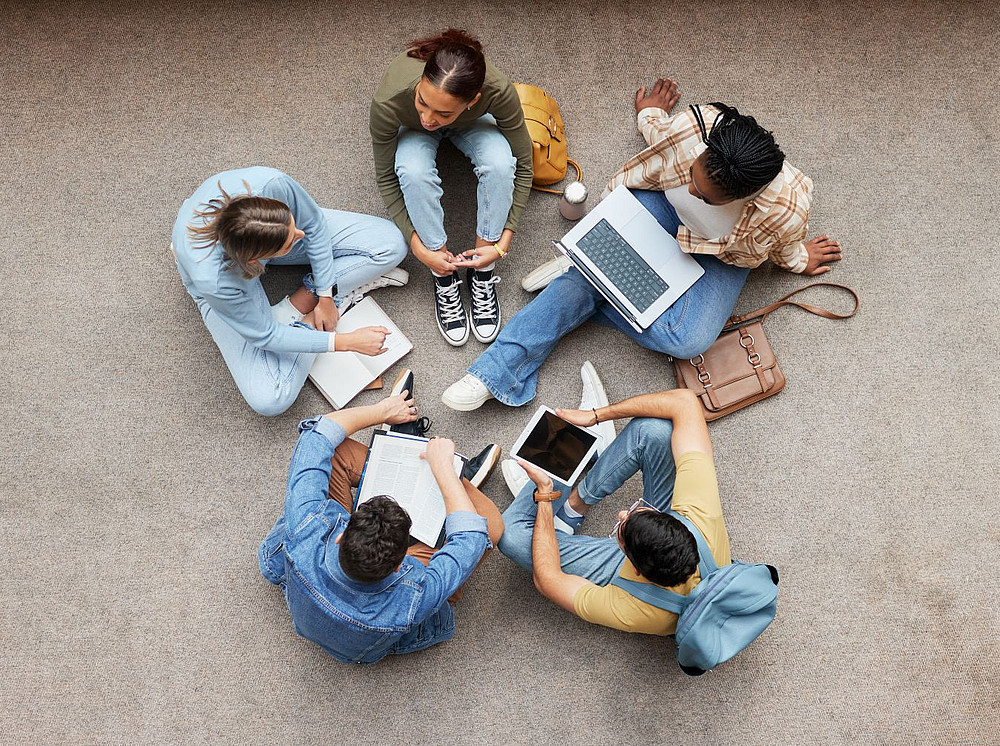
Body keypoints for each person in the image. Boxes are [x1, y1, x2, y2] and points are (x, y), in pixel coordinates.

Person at [441, 78, 841, 410]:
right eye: (693, 176)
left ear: (744, 196)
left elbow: (783, 244)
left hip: (721, 253)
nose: (690, 188)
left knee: (688, 340)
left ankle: (588, 275)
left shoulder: (786, 209)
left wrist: (799, 258)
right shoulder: (694, 130)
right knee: (607, 286)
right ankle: (496, 369)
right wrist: (650, 112)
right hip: (655, 207)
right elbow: (659, 134)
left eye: (703, 195)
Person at [258, 381, 505, 663]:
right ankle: (449, 478)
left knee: (336, 453)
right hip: (376, 638)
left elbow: (318, 436)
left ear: (341, 534)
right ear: (402, 564)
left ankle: (407, 454)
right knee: (491, 524)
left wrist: (382, 410)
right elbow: (474, 537)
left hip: (302, 585)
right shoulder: (410, 599)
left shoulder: (308, 527)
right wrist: (443, 471)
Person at [172, 166, 408, 415]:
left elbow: (313, 226)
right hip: (228, 280)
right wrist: (344, 342)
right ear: (257, 260)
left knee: (391, 244)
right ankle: (310, 315)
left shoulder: (271, 184)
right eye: (291, 241)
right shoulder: (215, 282)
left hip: (262, 243)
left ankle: (307, 298)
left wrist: (326, 295)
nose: (301, 234)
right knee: (270, 399)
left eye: (292, 225)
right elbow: (265, 336)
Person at [496, 387, 729, 636]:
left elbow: (548, 580)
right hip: (682, 550)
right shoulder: (700, 511)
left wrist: (544, 492)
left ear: (634, 569)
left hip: (653, 591)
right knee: (654, 431)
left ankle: (563, 471)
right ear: (676, 521)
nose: (620, 514)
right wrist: (596, 415)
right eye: (637, 511)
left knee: (511, 535)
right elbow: (684, 401)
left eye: (621, 528)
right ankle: (572, 508)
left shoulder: (634, 609)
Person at [370, 28, 533, 346]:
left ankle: (481, 263)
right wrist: (419, 247)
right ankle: (442, 270)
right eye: (422, 101)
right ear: (418, 87)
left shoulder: (496, 91)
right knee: (411, 171)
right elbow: (386, 177)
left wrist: (500, 245)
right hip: (410, 131)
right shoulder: (390, 102)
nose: (429, 118)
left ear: (473, 100)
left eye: (441, 112)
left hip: (471, 124)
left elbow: (524, 165)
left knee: (501, 164)